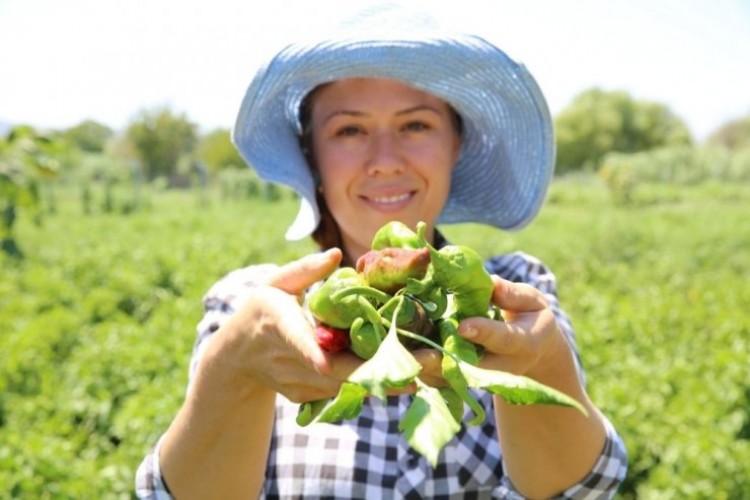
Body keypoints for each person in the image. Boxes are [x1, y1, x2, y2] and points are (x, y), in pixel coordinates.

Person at [136, 4, 627, 499]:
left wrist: (543, 365)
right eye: (349, 130)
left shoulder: (514, 298)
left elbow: (580, 492)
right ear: (312, 156)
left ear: (456, 143)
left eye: (416, 125)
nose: (385, 161)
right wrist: (235, 367)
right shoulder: (252, 304)